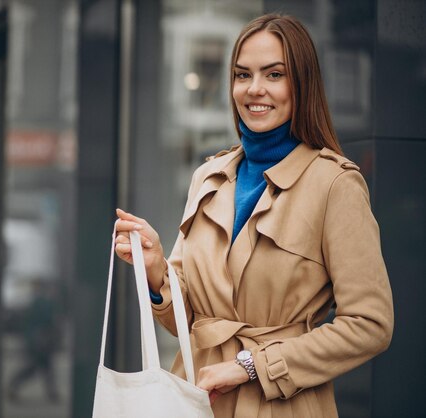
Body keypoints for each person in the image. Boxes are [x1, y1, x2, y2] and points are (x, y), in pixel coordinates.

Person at [114, 13, 393, 418]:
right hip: (198, 401)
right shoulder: (208, 177)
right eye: (242, 75)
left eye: (274, 74)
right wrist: (156, 269)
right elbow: (187, 320)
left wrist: (251, 367)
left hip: (285, 405)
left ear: (301, 84)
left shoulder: (335, 184)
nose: (254, 89)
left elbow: (371, 325)